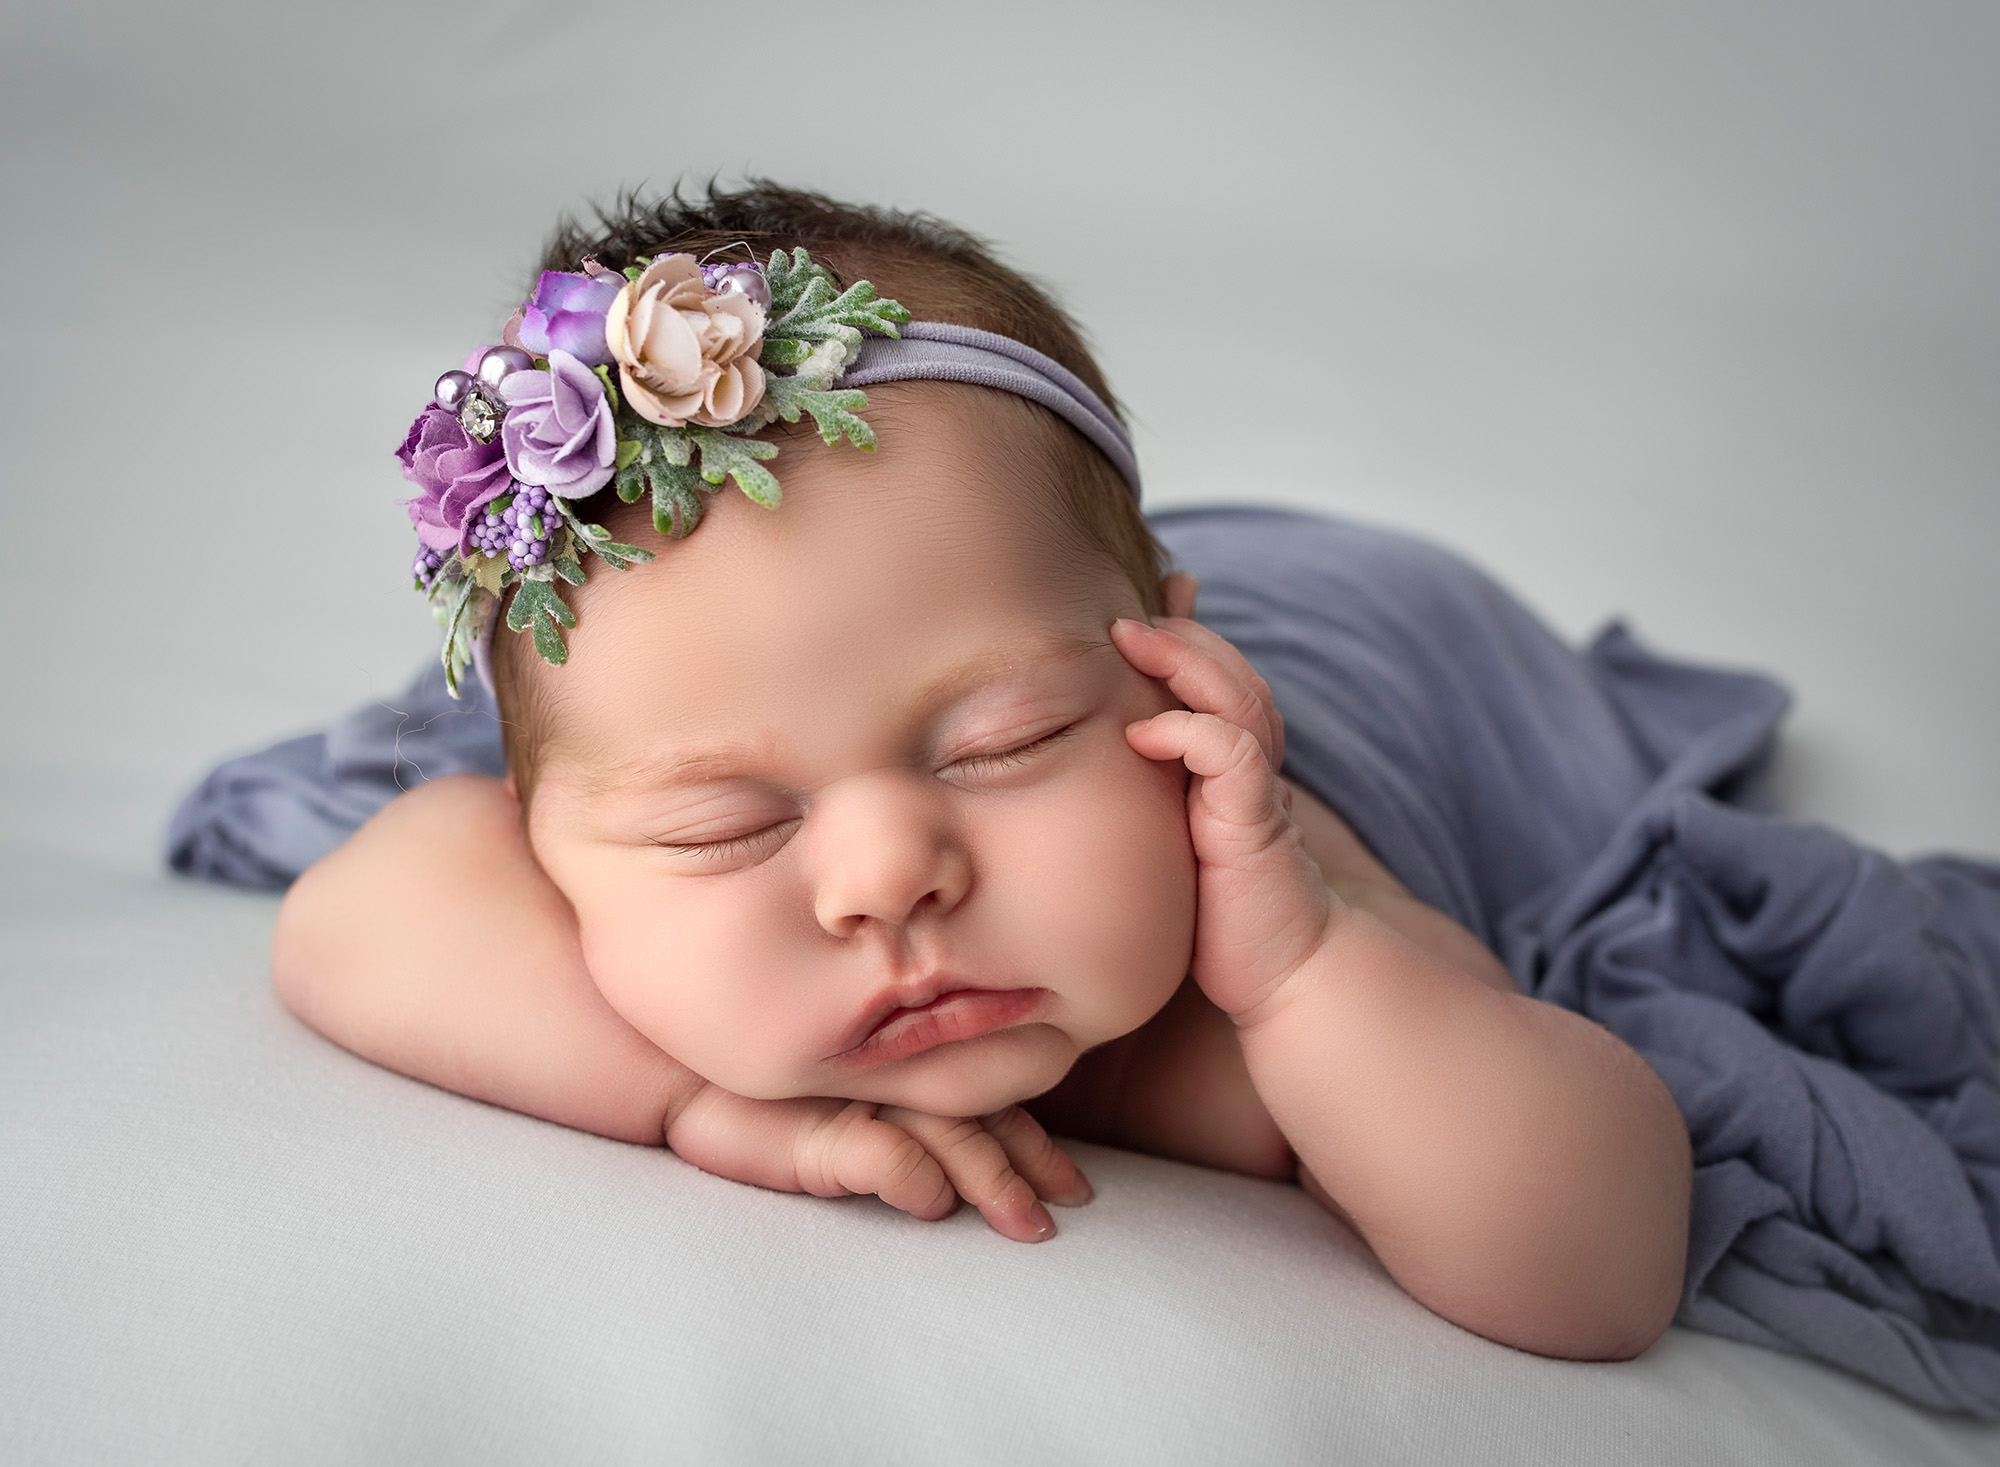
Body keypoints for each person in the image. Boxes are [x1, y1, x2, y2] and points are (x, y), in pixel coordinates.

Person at [269, 182, 1693, 1366]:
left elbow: (1598, 1270)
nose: (888, 877)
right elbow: (350, 914)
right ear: (546, 848)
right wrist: (695, 1104)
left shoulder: (1262, 967)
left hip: (1393, 626)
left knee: (990, 590)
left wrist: (1312, 966)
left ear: (1167, 682)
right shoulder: (613, 788)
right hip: (981, 613)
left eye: (1004, 748)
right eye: (723, 829)